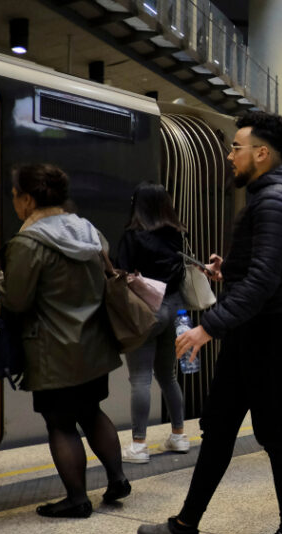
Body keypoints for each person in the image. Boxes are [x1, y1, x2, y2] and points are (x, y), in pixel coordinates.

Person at [137, 112, 282, 534]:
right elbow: (258, 270)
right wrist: (227, 270)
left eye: (236, 147)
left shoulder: (274, 200)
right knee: (218, 429)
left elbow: (265, 280)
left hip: (269, 337)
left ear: (261, 152)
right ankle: (184, 527)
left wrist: (206, 329)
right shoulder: (269, 197)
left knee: (277, 436)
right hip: (253, 335)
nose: (229, 156)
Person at [0, 164, 128, 518]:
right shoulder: (88, 231)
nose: (13, 201)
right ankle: (117, 478)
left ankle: (77, 498)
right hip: (94, 344)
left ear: (27, 199)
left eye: (14, 195)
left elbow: (17, 300)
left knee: (61, 424)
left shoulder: (28, 242)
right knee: (91, 411)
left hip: (53, 350)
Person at [115, 182, 190, 464]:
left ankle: (139, 445)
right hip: (174, 308)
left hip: (147, 311)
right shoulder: (176, 234)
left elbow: (121, 273)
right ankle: (179, 436)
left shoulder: (133, 236)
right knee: (168, 375)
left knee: (141, 378)